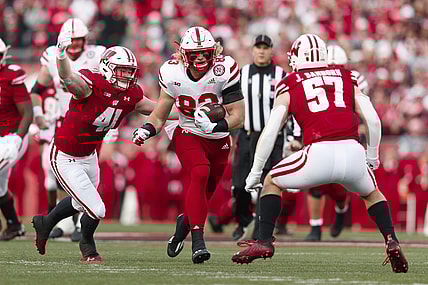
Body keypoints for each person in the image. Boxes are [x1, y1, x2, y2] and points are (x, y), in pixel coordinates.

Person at [231, 34, 408, 273]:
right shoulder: (348, 77)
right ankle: (391, 239)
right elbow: (374, 121)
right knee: (373, 194)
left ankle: (263, 241)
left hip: (319, 153)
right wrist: (372, 155)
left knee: (271, 181)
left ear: (297, 57)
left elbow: (271, 130)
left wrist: (255, 172)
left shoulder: (290, 81)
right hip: (353, 151)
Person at [31, 29, 158, 264]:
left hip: (89, 155)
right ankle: (88, 248)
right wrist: (60, 56)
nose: (126, 76)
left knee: (81, 202)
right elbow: (69, 79)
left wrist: (185, 111)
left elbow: (157, 109)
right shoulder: (91, 84)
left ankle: (45, 223)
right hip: (65, 155)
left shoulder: (131, 93)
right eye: (121, 70)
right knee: (96, 209)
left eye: (129, 72)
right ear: (108, 68)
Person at [132, 26, 244, 263]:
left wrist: (218, 127)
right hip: (188, 130)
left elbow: (238, 115)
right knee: (200, 173)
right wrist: (147, 129)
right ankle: (198, 242)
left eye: (205, 52)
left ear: (214, 51)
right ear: (184, 54)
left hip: (219, 138)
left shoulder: (225, 69)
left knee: (207, 191)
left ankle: (183, 225)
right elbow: (160, 114)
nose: (201, 58)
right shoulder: (172, 73)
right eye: (195, 53)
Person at [207, 34, 296, 241]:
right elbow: (230, 103)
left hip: (273, 138)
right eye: (258, 47)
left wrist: (292, 136)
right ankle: (243, 220)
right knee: (239, 185)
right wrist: (232, 131)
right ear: (253, 50)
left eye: (266, 47)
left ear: (271, 50)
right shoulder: (241, 74)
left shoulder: (282, 75)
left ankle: (261, 228)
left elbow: (291, 108)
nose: (262, 51)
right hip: (246, 135)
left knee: (270, 182)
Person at [31, 18, 106, 242]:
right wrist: (37, 112)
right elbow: (37, 89)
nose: (74, 46)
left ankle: (75, 223)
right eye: (70, 42)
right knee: (59, 175)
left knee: (89, 179)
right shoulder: (53, 56)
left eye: (78, 41)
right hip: (64, 122)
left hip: (91, 123)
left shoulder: (97, 55)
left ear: (86, 41)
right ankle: (67, 223)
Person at [305, 44, 370, 241]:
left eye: (337, 66)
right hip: (321, 132)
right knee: (314, 180)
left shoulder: (354, 79)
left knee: (342, 182)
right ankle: (315, 227)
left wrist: (364, 135)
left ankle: (341, 209)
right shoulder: (314, 79)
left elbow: (365, 111)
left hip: (346, 133)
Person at [0, 38, 33, 241]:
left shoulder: (11, 74)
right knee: (0, 187)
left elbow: (27, 113)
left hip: (12, 137)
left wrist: (18, 138)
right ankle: (14, 225)